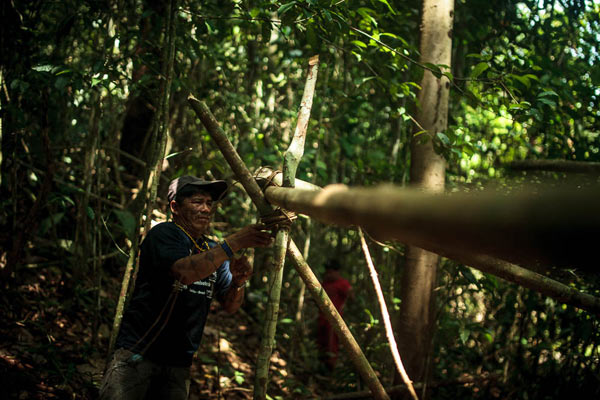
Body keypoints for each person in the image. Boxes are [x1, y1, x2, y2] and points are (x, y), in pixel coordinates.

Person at [99, 175, 273, 400]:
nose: (205, 209)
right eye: (197, 202)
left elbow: (230, 306)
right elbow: (184, 272)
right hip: (139, 353)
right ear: (175, 207)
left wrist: (238, 282)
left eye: (209, 204)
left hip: (179, 364)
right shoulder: (164, 234)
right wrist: (234, 243)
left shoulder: (212, 249)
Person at [316, 259, 353, 371]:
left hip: (334, 320)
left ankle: (330, 369)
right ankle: (320, 367)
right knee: (321, 344)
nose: (328, 273)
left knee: (331, 345)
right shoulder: (325, 283)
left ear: (337, 272)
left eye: (331, 271)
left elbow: (351, 297)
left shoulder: (343, 283)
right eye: (327, 271)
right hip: (322, 319)